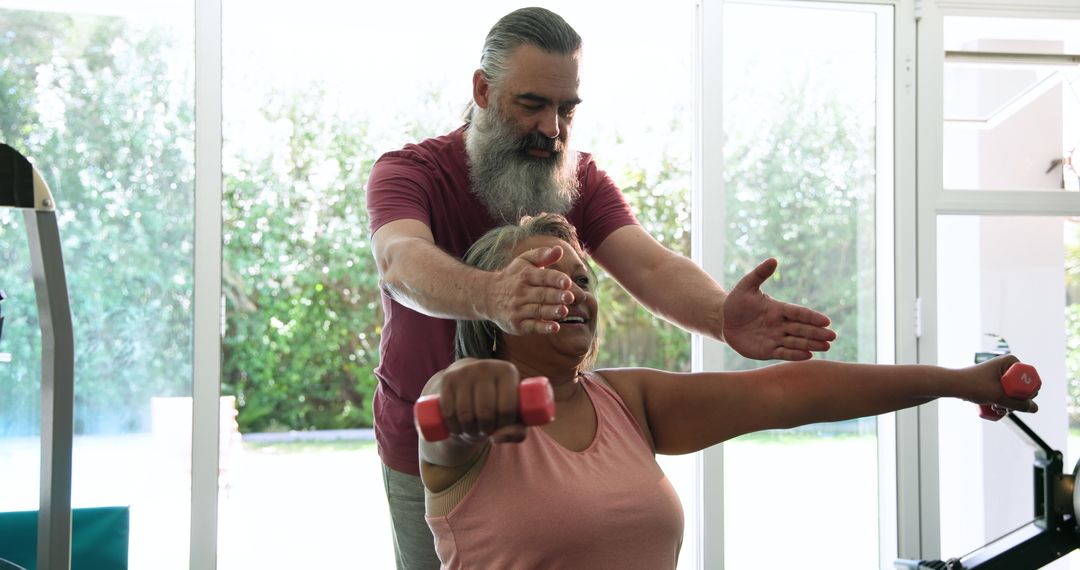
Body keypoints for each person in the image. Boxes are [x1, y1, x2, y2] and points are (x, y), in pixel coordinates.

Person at [366, 7, 837, 568]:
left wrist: (719, 315)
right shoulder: (410, 171)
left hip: (557, 434)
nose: (552, 128)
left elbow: (651, 267)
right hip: (431, 444)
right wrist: (493, 295)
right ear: (482, 91)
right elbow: (400, 261)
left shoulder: (579, 178)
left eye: (567, 109)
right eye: (532, 104)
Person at [419, 213, 1040, 569]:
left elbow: (791, 393)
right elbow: (445, 411)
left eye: (583, 280)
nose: (576, 293)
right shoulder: (466, 413)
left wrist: (959, 382)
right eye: (548, 278)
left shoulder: (625, 401)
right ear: (492, 305)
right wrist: (469, 388)